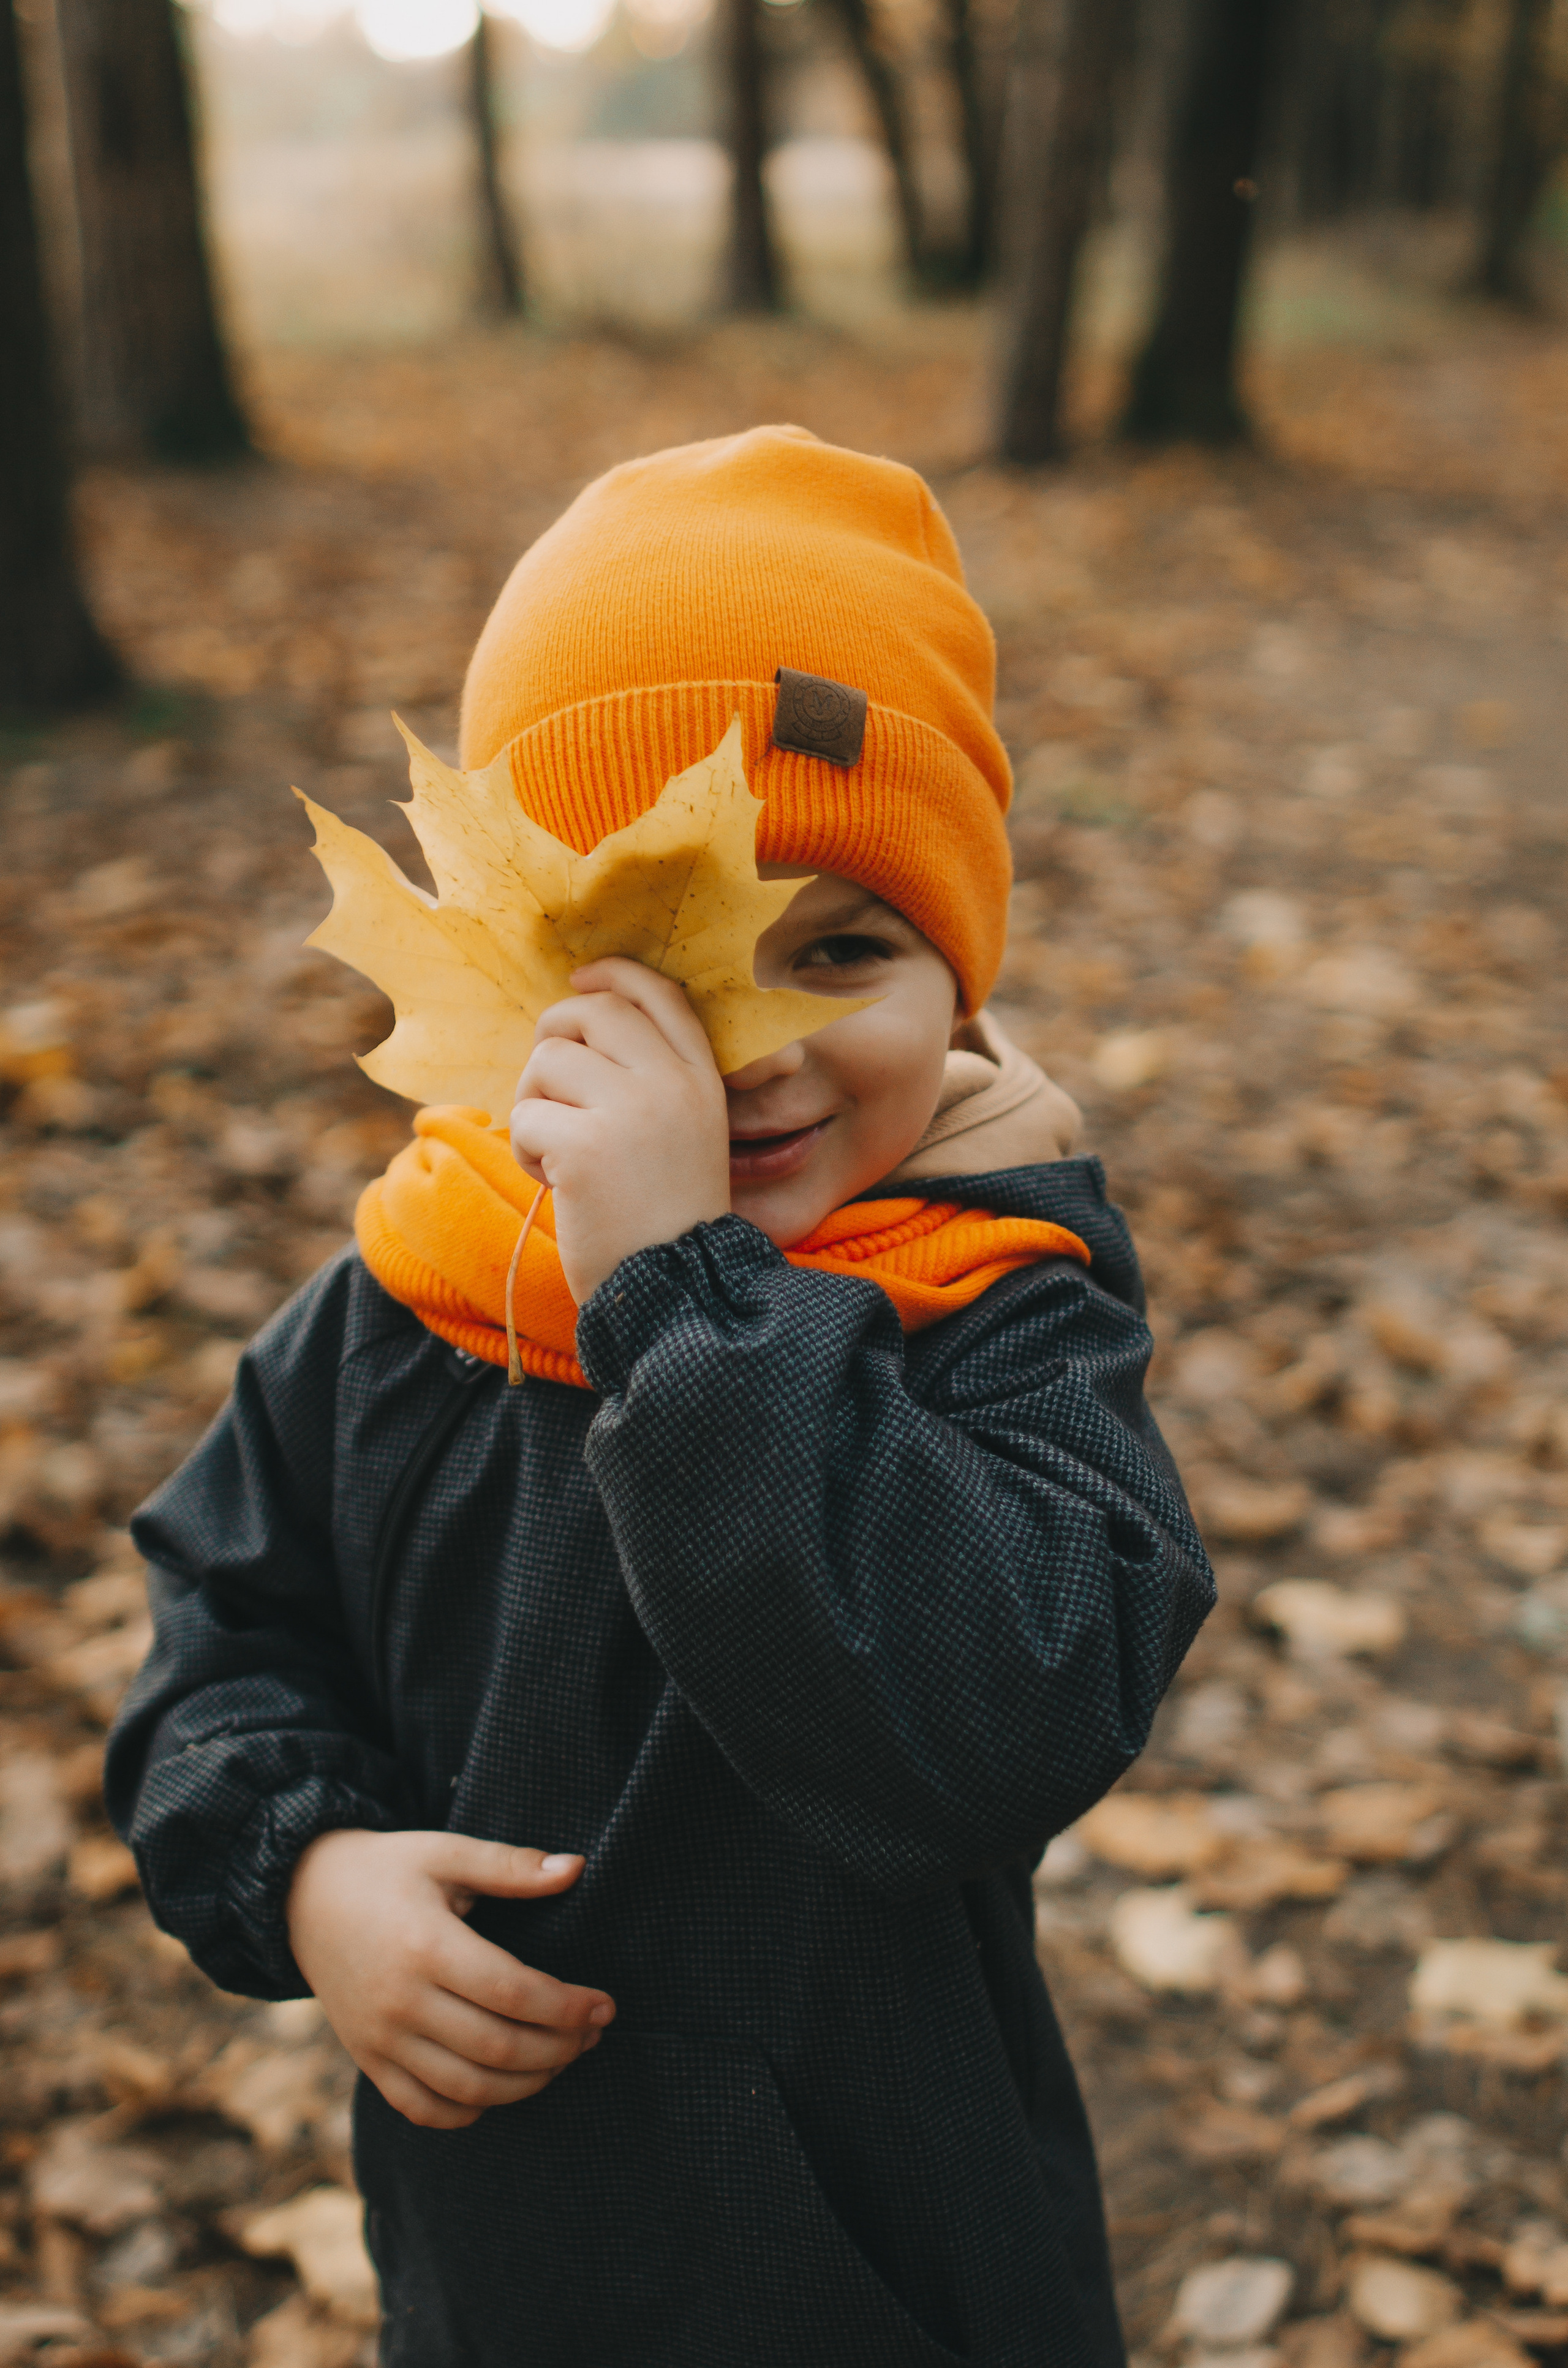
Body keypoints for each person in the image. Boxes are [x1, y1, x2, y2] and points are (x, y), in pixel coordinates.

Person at [107, 425, 1214, 2368]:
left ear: (960, 980)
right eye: (659, 962)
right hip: (510, 2272)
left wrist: (678, 1292)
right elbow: (224, 1633)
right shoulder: (408, 1298)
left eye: (843, 950)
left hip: (895, 2272)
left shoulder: (997, 1309)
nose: (751, 1054)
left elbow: (1008, 1714)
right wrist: (310, 1874)